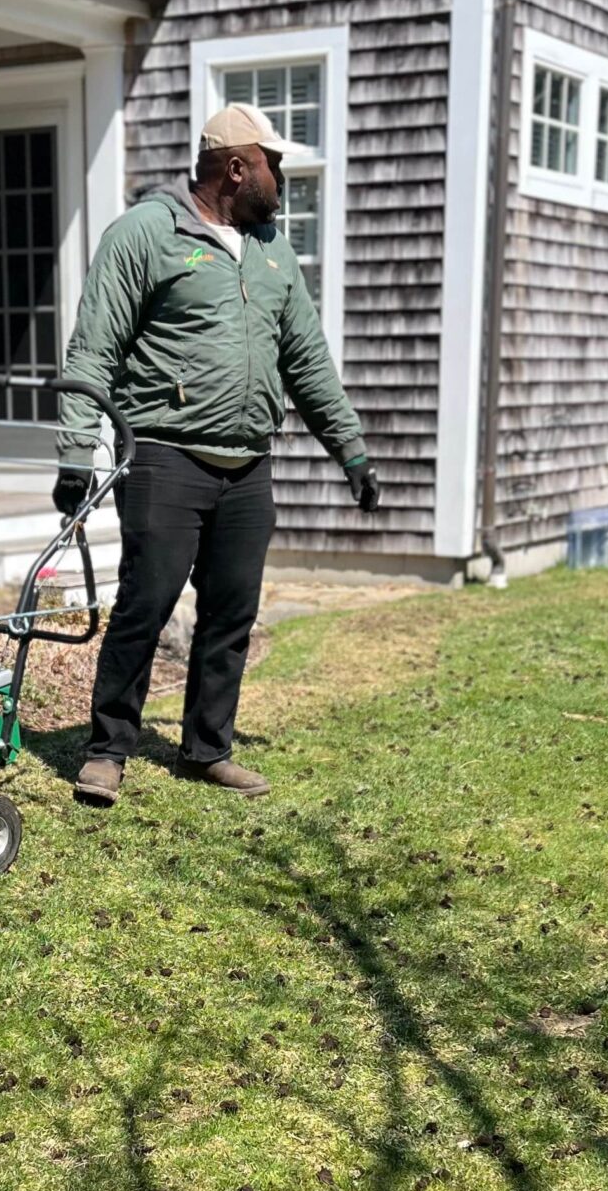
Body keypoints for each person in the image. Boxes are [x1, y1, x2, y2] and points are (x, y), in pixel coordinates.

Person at [52, 101, 378, 805]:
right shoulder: (145, 234)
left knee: (231, 612)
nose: (280, 178)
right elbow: (94, 347)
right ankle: (108, 750)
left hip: (248, 462)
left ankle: (208, 748)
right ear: (237, 167)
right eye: (273, 164)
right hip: (166, 454)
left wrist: (350, 451)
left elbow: (308, 361)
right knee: (146, 604)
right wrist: (77, 450)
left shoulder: (271, 251)